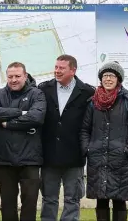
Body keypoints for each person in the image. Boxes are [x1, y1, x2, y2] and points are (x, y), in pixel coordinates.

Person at [80, 61, 128, 221]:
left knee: (119, 200)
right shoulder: (93, 102)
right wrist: (87, 148)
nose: (108, 79)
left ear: (118, 79)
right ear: (101, 79)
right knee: (101, 200)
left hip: (120, 159)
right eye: (105, 76)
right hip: (97, 158)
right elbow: (84, 129)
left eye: (112, 76)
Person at [37, 54, 95, 221]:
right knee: (49, 199)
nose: (57, 71)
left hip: (74, 156)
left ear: (73, 70)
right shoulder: (44, 89)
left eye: (61, 68)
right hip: (49, 156)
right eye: (56, 67)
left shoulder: (87, 92)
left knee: (72, 199)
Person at [0, 62, 46, 221]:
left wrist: (9, 123)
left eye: (17, 76)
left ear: (25, 76)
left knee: (29, 204)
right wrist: (21, 112)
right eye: (10, 76)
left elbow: (36, 118)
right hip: (5, 159)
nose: (14, 80)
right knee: (7, 204)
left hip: (30, 159)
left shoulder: (37, 94)